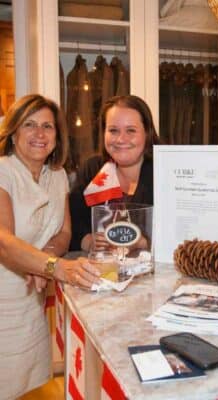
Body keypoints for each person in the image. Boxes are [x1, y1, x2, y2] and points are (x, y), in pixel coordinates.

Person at [0, 94, 100, 400]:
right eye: (29, 125)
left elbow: (65, 232)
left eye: (48, 126)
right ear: (13, 132)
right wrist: (54, 267)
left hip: (30, 301)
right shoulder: (3, 170)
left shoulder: (57, 176)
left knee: (19, 386)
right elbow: (4, 242)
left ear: (57, 137)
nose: (39, 134)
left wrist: (42, 262)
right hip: (3, 299)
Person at [69, 95, 161, 252]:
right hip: (103, 271)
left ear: (147, 132)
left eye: (131, 130)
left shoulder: (163, 173)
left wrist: (142, 243)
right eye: (113, 130)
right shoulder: (92, 169)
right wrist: (89, 242)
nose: (121, 139)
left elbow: (180, 232)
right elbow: (73, 225)